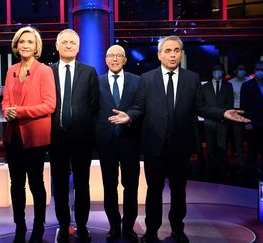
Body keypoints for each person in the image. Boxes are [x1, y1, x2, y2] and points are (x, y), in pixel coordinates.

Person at [108, 35, 249, 243]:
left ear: (181, 53)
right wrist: (129, 116)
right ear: (159, 55)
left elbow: (201, 106)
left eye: (176, 50)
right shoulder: (147, 79)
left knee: (178, 192)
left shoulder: (191, 78)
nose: (172, 54)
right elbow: (139, 107)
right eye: (168, 50)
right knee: (153, 192)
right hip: (154, 145)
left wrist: (222, 113)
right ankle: (151, 231)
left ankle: (177, 230)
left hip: (180, 146)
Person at [1, 26, 56, 243]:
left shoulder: (44, 71)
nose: (25, 45)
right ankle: (20, 224)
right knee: (16, 183)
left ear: (36, 47)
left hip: (34, 136)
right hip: (13, 134)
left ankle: (39, 224)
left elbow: (49, 105)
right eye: (22, 41)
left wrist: (20, 111)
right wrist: (6, 110)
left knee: (35, 182)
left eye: (30, 42)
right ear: (16, 44)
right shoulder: (11, 69)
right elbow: (5, 99)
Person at [49, 29, 99, 243]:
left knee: (82, 183)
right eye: (65, 42)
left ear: (78, 48)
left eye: (73, 43)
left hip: (81, 138)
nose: (69, 46)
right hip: (55, 137)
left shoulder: (89, 72)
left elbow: (94, 105)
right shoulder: (47, 71)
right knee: (59, 184)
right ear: (57, 46)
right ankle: (62, 224)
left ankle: (82, 225)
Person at [95, 45, 140, 242]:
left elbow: (141, 106)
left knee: (131, 186)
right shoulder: (96, 82)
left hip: (130, 141)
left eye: (118, 56)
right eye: (111, 56)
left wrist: (130, 117)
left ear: (125, 59)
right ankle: (114, 226)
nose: (114, 59)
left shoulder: (138, 82)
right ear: (105, 60)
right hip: (106, 143)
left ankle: (129, 226)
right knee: (109, 186)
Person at [202, 63, 233, 180]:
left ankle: (222, 169)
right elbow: (203, 105)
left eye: (220, 70)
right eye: (215, 69)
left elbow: (229, 104)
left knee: (222, 147)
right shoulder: (205, 87)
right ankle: (210, 169)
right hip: (209, 122)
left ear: (223, 72)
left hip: (223, 122)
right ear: (212, 72)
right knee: (210, 147)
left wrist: (222, 116)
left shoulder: (228, 86)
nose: (217, 72)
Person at [228, 64, 251, 169]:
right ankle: (241, 162)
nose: (242, 71)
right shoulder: (230, 83)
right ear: (235, 71)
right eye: (240, 69)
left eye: (244, 69)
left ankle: (251, 161)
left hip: (249, 111)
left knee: (251, 137)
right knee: (238, 137)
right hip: (236, 111)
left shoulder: (250, 81)